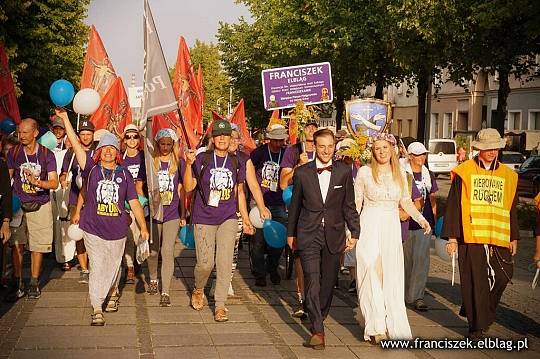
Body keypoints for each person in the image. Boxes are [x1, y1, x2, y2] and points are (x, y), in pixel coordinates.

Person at [57, 109, 149, 325]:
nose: (108, 152)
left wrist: (143, 227)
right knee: (98, 265)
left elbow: (134, 202)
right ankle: (97, 306)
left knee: (114, 264)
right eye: (104, 149)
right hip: (93, 227)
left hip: (117, 229)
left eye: (112, 149)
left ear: (117, 153)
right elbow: (77, 145)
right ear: (98, 152)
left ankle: (113, 292)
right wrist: (65, 120)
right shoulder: (90, 169)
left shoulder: (124, 173)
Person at [442, 128, 519, 339]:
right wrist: (452, 238)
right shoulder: (465, 171)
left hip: (498, 235)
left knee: (504, 277)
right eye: (488, 148)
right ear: (478, 149)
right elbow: (454, 205)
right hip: (471, 235)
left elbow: (511, 207)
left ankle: (484, 311)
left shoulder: (508, 175)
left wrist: (513, 236)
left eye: (495, 148)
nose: (492, 152)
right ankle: (476, 327)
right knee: (476, 281)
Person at [287, 128, 360, 350]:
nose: (326, 150)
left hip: (334, 234)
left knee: (328, 284)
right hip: (308, 233)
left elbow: (349, 205)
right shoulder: (302, 173)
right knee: (312, 279)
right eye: (321, 146)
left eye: (330, 146)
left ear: (334, 147)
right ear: (314, 147)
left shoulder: (344, 171)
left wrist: (355, 232)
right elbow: (296, 206)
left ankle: (318, 314)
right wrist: (291, 234)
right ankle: (318, 329)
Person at [354, 133, 430, 344]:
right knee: (370, 269)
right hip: (369, 223)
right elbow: (356, 202)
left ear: (392, 150)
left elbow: (406, 201)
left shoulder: (401, 174)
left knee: (389, 276)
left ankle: (388, 323)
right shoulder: (364, 172)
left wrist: (421, 219)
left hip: (390, 226)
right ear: (373, 151)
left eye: (385, 148)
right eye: (377, 148)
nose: (381, 152)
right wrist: (350, 231)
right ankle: (375, 324)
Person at [183, 119, 254, 322]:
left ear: (230, 138)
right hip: (204, 217)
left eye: (226, 135)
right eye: (218, 135)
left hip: (228, 217)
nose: (222, 138)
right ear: (212, 138)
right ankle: (198, 289)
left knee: (224, 263)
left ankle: (220, 305)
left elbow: (239, 191)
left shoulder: (236, 161)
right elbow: (188, 187)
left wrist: (246, 218)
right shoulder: (202, 158)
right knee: (205, 264)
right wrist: (188, 165)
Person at [6, 118, 58, 300]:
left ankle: (34, 282)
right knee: (16, 244)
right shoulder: (14, 152)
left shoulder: (46, 154)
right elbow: (7, 179)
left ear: (35, 133)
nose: (21, 136)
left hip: (40, 204)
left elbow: (54, 182)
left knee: (38, 246)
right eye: (19, 132)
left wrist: (38, 182)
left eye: (25, 132)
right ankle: (17, 281)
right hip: (18, 204)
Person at [280, 119, 318, 318]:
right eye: (308, 126)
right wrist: (299, 167)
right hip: (301, 213)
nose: (311, 129)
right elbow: (283, 184)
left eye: (315, 125)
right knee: (301, 259)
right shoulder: (293, 151)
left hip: (322, 214)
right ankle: (304, 300)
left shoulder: (328, 151)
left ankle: (316, 298)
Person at [146, 128, 185, 307]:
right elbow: (140, 185)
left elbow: (183, 189)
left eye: (169, 144)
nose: (166, 147)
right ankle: (153, 278)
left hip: (171, 213)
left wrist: (184, 213)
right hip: (154, 213)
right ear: (157, 143)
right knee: (153, 251)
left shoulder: (179, 162)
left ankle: (166, 290)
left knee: (167, 251)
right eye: (163, 144)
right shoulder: (150, 162)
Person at [247, 125, 287, 287]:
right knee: (258, 240)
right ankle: (259, 272)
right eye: (275, 140)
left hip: (278, 201)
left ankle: (273, 266)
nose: (278, 144)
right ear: (269, 139)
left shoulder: (286, 154)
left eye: (281, 140)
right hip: (259, 201)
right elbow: (249, 172)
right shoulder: (259, 153)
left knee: (278, 238)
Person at [403, 142, 438, 312]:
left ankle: (417, 296)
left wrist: (434, 220)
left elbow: (432, 198)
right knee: (406, 260)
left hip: (424, 224)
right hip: (405, 223)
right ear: (409, 156)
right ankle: (404, 295)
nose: (421, 158)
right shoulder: (402, 174)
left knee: (421, 259)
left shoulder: (428, 174)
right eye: (417, 155)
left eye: (423, 154)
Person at [59, 120, 95, 278]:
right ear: (78, 135)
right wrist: (63, 178)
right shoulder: (71, 152)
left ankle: (94, 264)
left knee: (94, 233)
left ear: (93, 135)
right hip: (75, 197)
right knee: (77, 230)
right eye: (83, 134)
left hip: (94, 199)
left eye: (89, 134)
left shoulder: (99, 150)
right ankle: (84, 268)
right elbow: (63, 171)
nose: (86, 137)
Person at [121, 124, 146, 285]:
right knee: (128, 237)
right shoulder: (119, 158)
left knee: (139, 236)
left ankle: (138, 262)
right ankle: (129, 267)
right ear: (124, 140)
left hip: (142, 202)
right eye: (128, 136)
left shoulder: (145, 157)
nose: (132, 140)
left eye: (135, 136)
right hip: (124, 203)